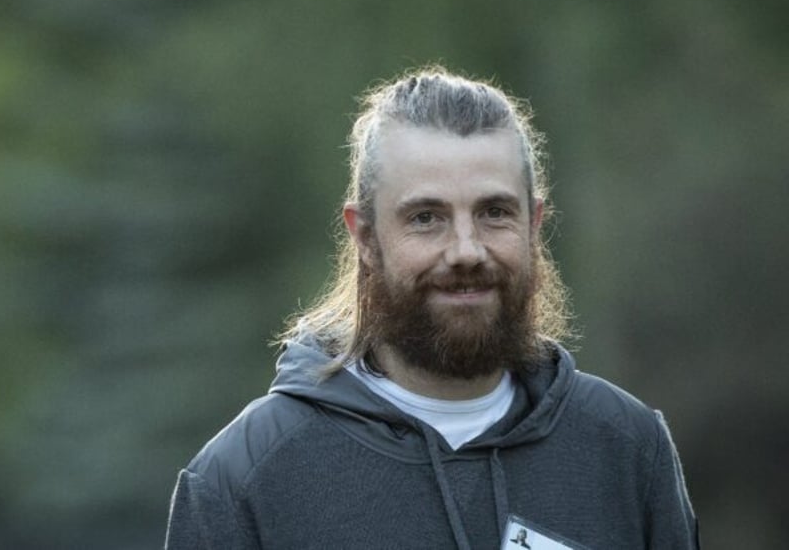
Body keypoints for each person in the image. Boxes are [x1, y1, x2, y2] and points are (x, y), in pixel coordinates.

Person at [164, 66, 699, 549]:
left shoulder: (626, 448)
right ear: (367, 238)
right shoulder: (244, 477)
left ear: (534, 225)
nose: (466, 250)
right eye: (426, 217)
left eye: (494, 212)